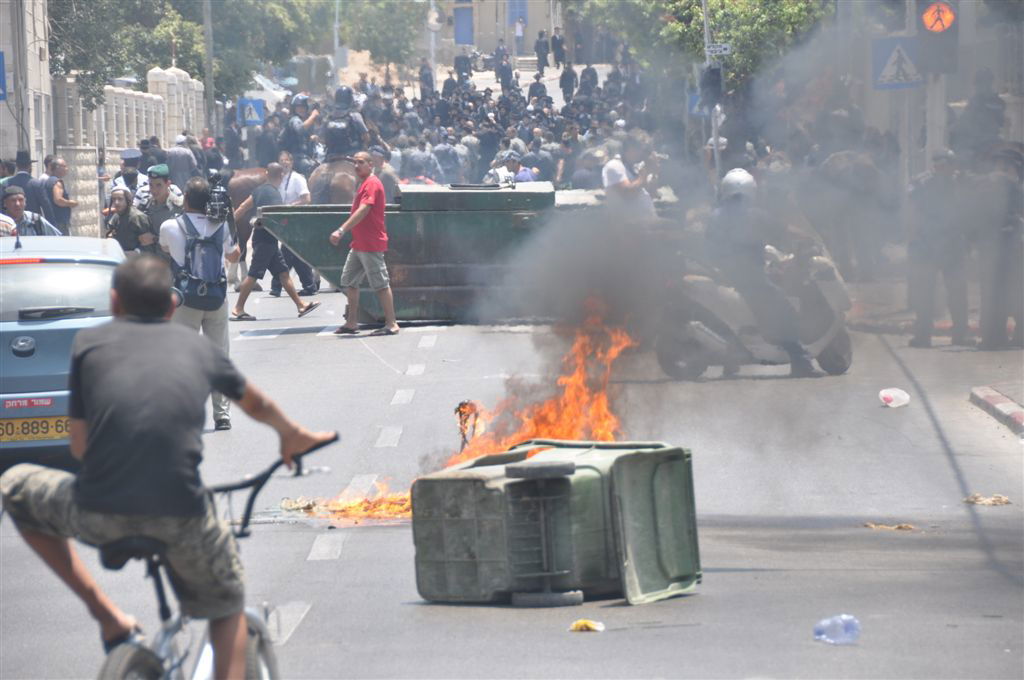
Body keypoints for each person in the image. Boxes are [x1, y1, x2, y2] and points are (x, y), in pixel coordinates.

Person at [0, 255, 336, 678]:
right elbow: (257, 403)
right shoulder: (196, 347)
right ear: (172, 306)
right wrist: (292, 435)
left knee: (15, 484)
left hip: (97, 509)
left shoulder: (88, 344)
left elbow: (81, 447)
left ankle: (107, 615)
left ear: (114, 302)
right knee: (227, 604)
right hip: (181, 513)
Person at [706, 169, 816, 377]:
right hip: (748, 276)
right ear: (750, 191)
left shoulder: (715, 215)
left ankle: (733, 358)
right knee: (781, 308)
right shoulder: (751, 214)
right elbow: (782, 229)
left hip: (723, 273)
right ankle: (800, 359)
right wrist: (809, 236)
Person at [159, 177, 242, 431]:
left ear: (185, 197)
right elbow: (233, 254)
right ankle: (222, 414)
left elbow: (165, 249)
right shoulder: (221, 227)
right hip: (216, 298)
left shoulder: (170, 226)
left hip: (185, 300)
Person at [231, 164, 321, 323]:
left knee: (283, 273)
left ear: (266, 174)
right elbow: (278, 217)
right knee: (253, 275)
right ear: (281, 176)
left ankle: (300, 305)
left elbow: (243, 208)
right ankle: (238, 308)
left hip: (265, 240)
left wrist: (229, 225)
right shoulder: (274, 194)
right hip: (266, 241)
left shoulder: (258, 190)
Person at [329, 151, 400, 336]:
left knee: (381, 284)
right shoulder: (363, 183)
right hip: (359, 243)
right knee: (349, 281)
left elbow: (364, 210)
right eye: (354, 162)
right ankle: (352, 322)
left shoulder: (372, 183)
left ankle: (392, 323)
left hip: (370, 243)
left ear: (370, 165)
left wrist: (341, 230)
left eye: (360, 162)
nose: (356, 165)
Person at [907, 150, 971, 348]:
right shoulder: (922, 183)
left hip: (950, 243)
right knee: (925, 293)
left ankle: (959, 334)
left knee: (957, 293)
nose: (941, 169)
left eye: (945, 165)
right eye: (938, 165)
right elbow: (912, 211)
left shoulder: (961, 183)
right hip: (929, 244)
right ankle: (923, 335)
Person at [269, 150, 318, 298]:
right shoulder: (279, 180)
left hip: (296, 220)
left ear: (291, 162)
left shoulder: (297, 179)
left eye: (287, 160)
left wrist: (290, 206)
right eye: (281, 160)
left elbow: (306, 198)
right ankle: (309, 285)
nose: (284, 163)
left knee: (287, 252)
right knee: (294, 254)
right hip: (284, 220)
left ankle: (277, 285)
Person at [602, 130, 658, 218]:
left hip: (644, 222)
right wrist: (644, 173)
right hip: (628, 225)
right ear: (631, 148)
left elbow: (652, 194)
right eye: (642, 149)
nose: (644, 154)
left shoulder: (634, 168)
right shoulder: (614, 166)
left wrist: (653, 172)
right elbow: (628, 194)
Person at [105, 187, 157, 255]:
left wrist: (135, 252)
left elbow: (149, 247)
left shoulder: (138, 217)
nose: (116, 202)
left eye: (120, 199)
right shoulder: (116, 216)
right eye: (114, 199)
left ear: (128, 200)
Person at [280, 94, 321, 177]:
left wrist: (311, 138)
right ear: (294, 108)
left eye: (303, 107)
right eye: (299, 107)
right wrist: (313, 116)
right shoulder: (294, 119)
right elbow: (300, 129)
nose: (301, 109)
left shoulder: (302, 120)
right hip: (293, 156)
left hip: (303, 155)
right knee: (310, 167)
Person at [44, 157, 78, 235]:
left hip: (52, 220)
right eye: (64, 166)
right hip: (60, 222)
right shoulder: (57, 182)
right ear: (57, 168)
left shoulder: (49, 181)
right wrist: (71, 203)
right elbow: (58, 200)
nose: (67, 168)